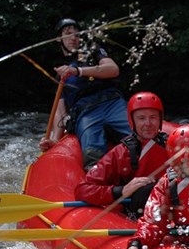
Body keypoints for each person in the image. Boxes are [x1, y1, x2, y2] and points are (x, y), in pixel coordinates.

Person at [39, 18, 132, 168]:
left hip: (111, 103)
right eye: (68, 33)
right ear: (59, 39)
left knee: (139, 137)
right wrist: (54, 141)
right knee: (92, 153)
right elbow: (60, 112)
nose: (73, 38)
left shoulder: (93, 52)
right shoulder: (60, 75)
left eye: (77, 35)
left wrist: (78, 71)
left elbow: (113, 69)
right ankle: (100, 183)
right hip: (86, 113)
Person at [74, 92, 170, 218]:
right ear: (132, 122)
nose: (148, 123)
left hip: (169, 211)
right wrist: (120, 191)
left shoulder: (173, 146)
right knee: (144, 191)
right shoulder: (121, 153)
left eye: (153, 117)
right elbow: (83, 190)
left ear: (160, 120)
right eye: (141, 118)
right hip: (136, 213)